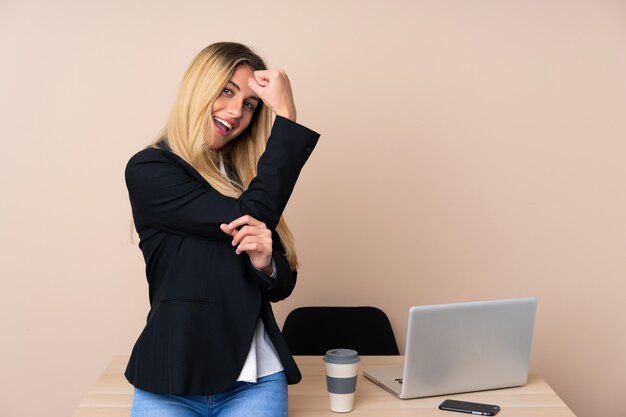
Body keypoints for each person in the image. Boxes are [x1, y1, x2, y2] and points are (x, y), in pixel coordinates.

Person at [124, 42, 320, 417]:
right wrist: (288, 119)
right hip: (170, 379)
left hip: (256, 383)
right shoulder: (150, 170)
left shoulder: (246, 181)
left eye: (250, 104)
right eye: (227, 91)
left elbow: (282, 284)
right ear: (199, 87)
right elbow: (246, 215)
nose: (237, 112)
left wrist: (267, 264)